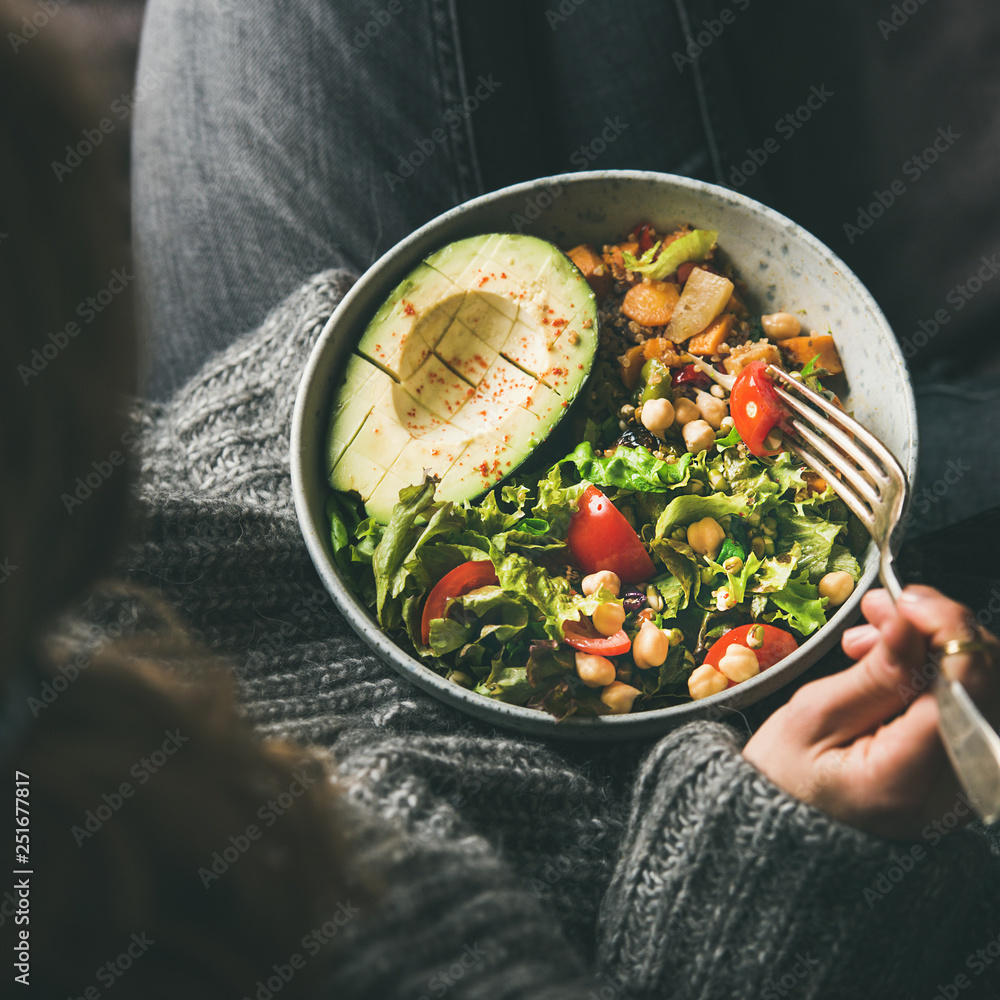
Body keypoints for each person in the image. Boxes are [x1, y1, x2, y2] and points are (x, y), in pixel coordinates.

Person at [3, 2, 999, 998]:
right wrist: (774, 875)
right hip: (654, 809)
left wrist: (361, 412)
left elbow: (128, 492)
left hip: (260, 479)